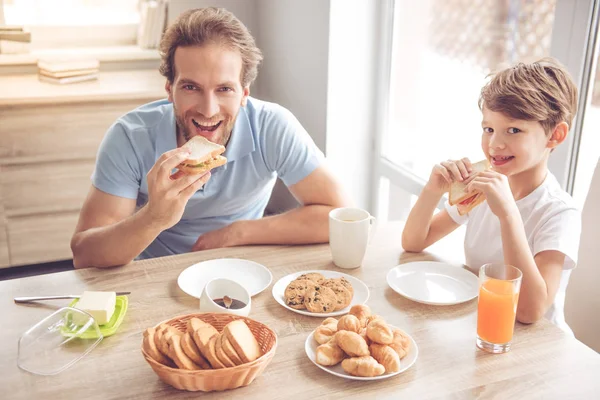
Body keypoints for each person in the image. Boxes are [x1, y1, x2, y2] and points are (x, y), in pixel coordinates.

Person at [71, 7, 350, 268]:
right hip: (156, 274)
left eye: (225, 89)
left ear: (244, 93)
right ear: (169, 90)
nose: (208, 109)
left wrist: (236, 233)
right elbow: (84, 255)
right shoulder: (130, 137)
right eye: (191, 87)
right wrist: (153, 217)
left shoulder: (271, 126)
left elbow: (339, 216)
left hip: (241, 268)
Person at [401, 58, 581, 333]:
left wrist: (508, 214)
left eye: (514, 130)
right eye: (488, 129)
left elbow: (529, 312)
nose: (495, 144)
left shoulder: (558, 212)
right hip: (483, 327)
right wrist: (432, 189)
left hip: (538, 347)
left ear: (555, 135)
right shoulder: (482, 187)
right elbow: (413, 242)